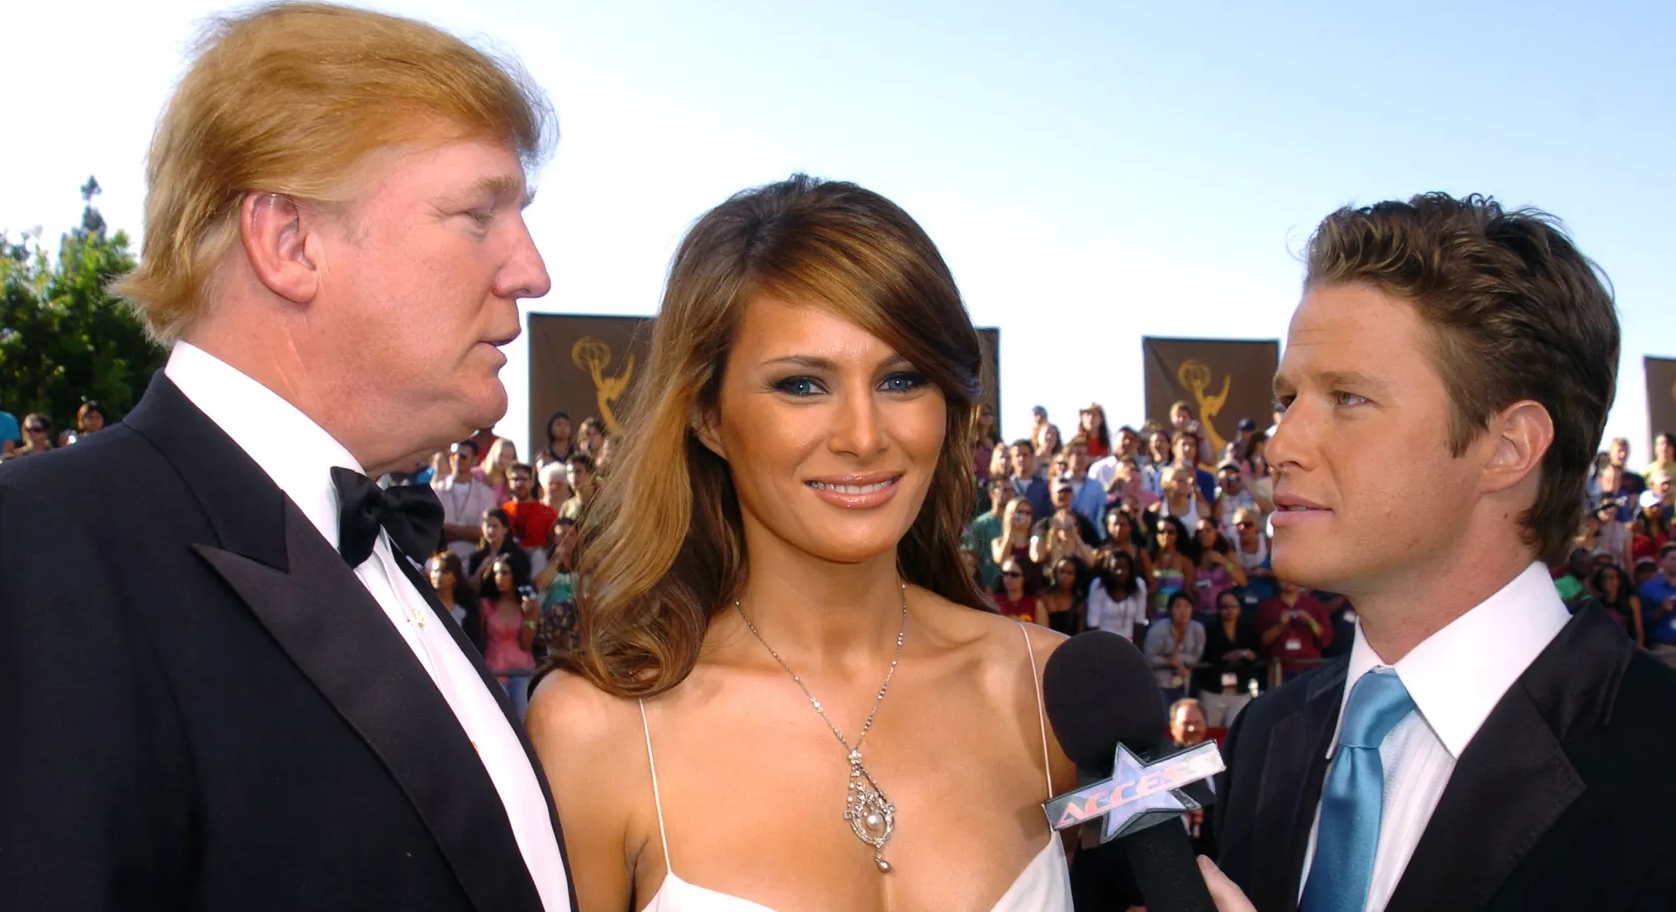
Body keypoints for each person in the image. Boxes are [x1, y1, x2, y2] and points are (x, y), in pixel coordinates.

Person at [0, 5, 572, 910]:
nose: (532, 271)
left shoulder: (371, 541)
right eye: (478, 214)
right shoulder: (38, 553)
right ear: (289, 242)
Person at [526, 175, 1075, 911]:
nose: (863, 437)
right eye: (802, 385)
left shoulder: (1048, 691)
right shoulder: (597, 732)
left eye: (902, 380)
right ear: (708, 416)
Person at [1204, 194, 1676, 912]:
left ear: (1508, 447)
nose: (1281, 445)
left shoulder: (1657, 760)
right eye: (1288, 399)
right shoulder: (1265, 737)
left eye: (1348, 398)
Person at [1197, 589, 1261, 727]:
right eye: (1224, 607)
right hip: (1213, 689)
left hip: (1240, 689)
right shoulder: (1209, 630)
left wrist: (1250, 655)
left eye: (1233, 606)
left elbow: (1258, 651)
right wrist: (1226, 657)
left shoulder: (1248, 630)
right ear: (1218, 609)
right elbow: (1204, 654)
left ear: (1240, 608)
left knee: (1236, 728)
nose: (1229, 610)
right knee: (1210, 728)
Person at [1145, 591, 1205, 705]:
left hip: (1185, 683)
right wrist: (1168, 662)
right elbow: (1148, 659)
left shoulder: (1197, 629)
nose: (1183, 611)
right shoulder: (1158, 630)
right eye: (1178, 607)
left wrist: (1176, 660)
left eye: (1187, 607)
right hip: (1160, 684)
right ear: (1170, 610)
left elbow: (1196, 657)